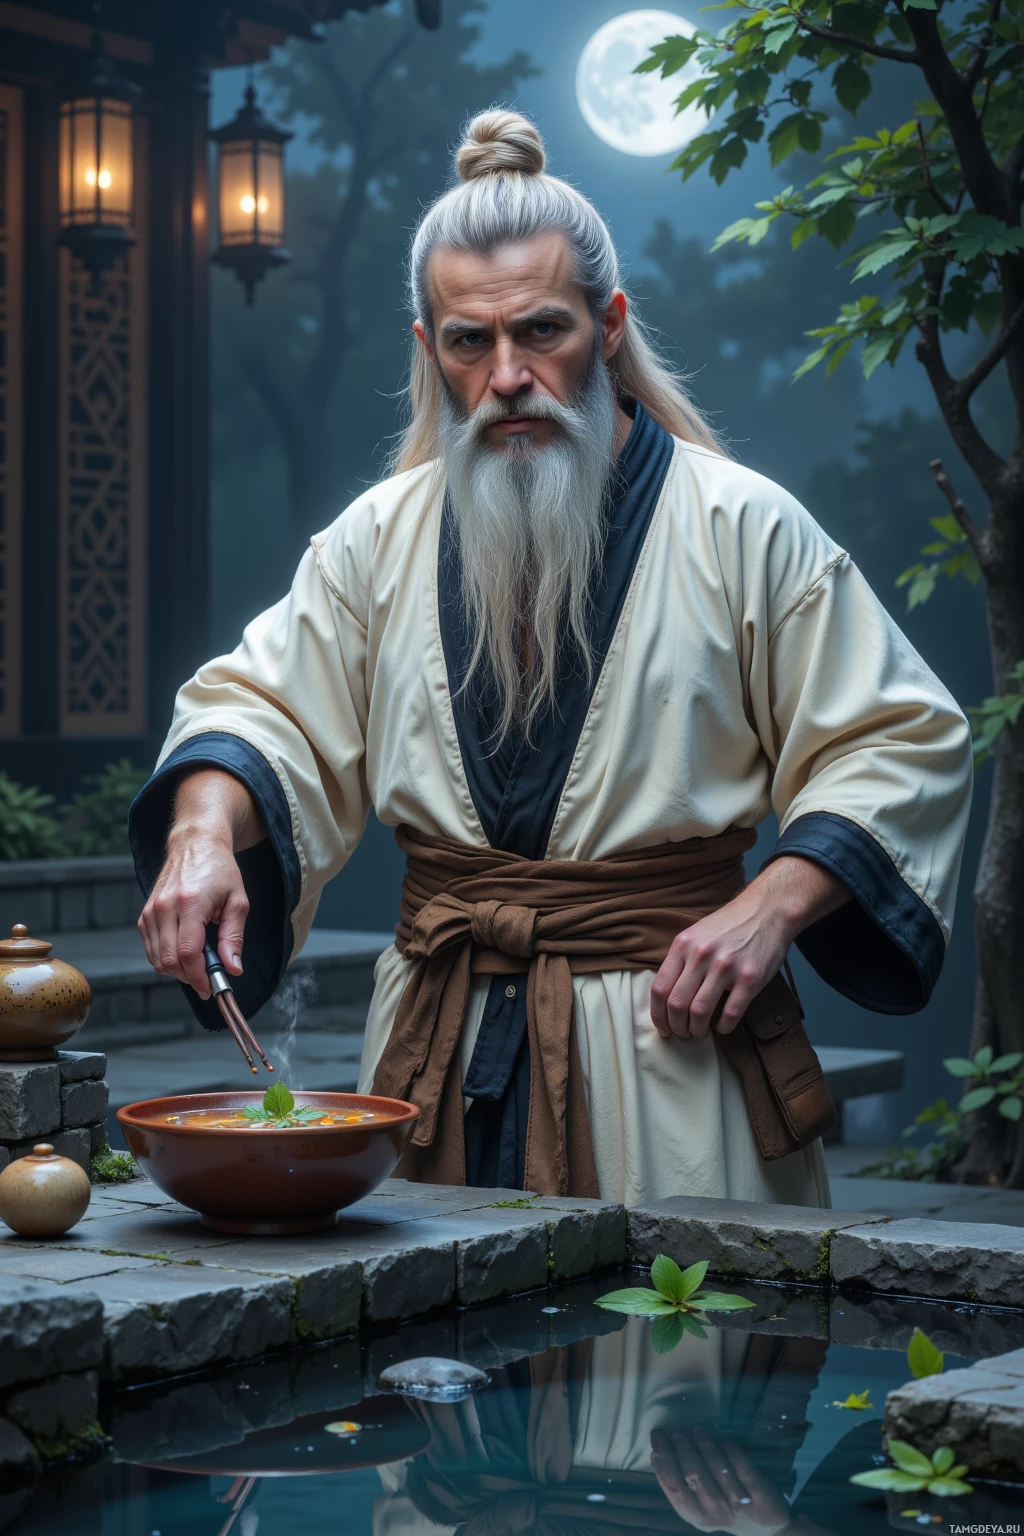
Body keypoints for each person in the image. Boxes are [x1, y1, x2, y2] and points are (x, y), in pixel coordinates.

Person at [129, 109, 973, 1209]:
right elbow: (262, 711)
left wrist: (767, 905)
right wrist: (200, 837)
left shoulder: (742, 527)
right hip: (434, 1043)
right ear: (430, 349)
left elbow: (897, 736)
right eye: (471, 343)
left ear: (608, 323)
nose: (508, 375)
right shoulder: (376, 539)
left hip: (668, 1046)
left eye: (542, 331)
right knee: (420, 1360)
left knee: (683, 1361)